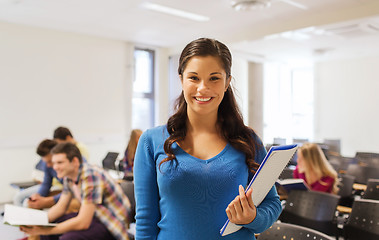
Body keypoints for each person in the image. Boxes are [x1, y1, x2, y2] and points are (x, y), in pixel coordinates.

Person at [134, 38, 281, 240]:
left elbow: (272, 204)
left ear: (227, 81)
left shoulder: (249, 140)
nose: (203, 88)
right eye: (194, 78)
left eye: (214, 78)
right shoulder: (151, 141)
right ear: (181, 79)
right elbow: (145, 221)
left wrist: (253, 217)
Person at [20, 142, 130, 240]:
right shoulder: (69, 177)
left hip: (110, 221)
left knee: (68, 237)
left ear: (75, 161)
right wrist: (37, 223)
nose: (55, 167)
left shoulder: (91, 176)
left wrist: (45, 230)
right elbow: (60, 207)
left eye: (60, 162)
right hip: (93, 215)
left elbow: (83, 222)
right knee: (48, 228)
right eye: (54, 163)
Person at [13, 139, 63, 209]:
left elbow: (70, 192)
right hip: (62, 191)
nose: (48, 165)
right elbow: (46, 183)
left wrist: (49, 201)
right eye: (46, 162)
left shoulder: (67, 167)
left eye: (50, 161)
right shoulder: (47, 165)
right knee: (25, 201)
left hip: (63, 191)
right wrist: (38, 196)